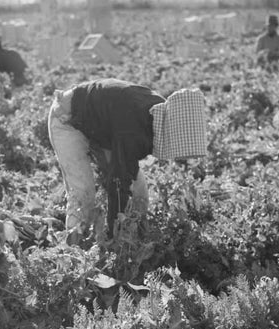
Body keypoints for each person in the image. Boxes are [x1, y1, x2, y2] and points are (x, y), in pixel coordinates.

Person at [46, 79, 208, 240]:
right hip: (67, 118)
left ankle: (139, 233)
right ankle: (73, 250)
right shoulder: (134, 129)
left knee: (139, 190)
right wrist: (114, 233)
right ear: (175, 130)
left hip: (102, 126)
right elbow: (119, 181)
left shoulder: (160, 112)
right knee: (83, 192)